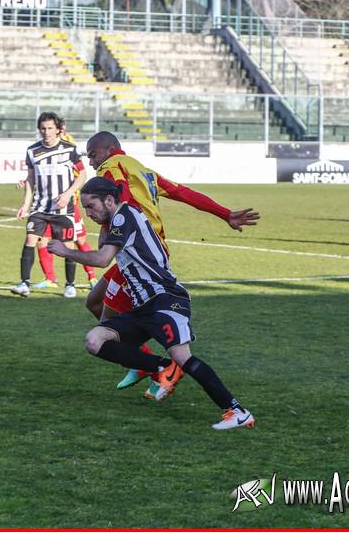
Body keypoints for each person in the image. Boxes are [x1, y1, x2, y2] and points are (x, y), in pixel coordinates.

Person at [48, 177, 256, 430]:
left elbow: (103, 259)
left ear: (110, 200)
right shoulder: (120, 219)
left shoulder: (124, 216)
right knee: (95, 340)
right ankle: (161, 367)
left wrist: (66, 250)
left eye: (91, 206)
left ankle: (236, 411)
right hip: (143, 307)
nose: (88, 212)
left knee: (183, 357)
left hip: (166, 299)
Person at [84, 131, 260, 398]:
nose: (91, 162)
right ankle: (147, 364)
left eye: (92, 154)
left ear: (109, 149)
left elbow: (122, 201)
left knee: (110, 326)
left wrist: (111, 235)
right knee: (95, 303)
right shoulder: (143, 170)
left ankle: (159, 368)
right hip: (146, 248)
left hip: (137, 253)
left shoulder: (111, 168)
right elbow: (182, 192)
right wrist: (224, 214)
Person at [12, 111, 85, 298]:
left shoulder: (70, 149)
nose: (46, 132)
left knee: (68, 246)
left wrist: (68, 194)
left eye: (50, 128)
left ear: (58, 129)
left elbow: (83, 175)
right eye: (43, 128)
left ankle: (70, 285)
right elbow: (30, 179)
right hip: (40, 207)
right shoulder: (32, 151)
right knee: (30, 240)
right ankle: (24, 283)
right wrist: (25, 205)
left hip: (63, 208)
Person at [31, 118, 97, 290]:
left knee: (78, 240)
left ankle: (92, 277)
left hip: (69, 203)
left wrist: (69, 193)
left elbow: (79, 173)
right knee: (41, 240)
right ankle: (50, 279)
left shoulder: (68, 145)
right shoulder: (44, 147)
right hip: (46, 205)